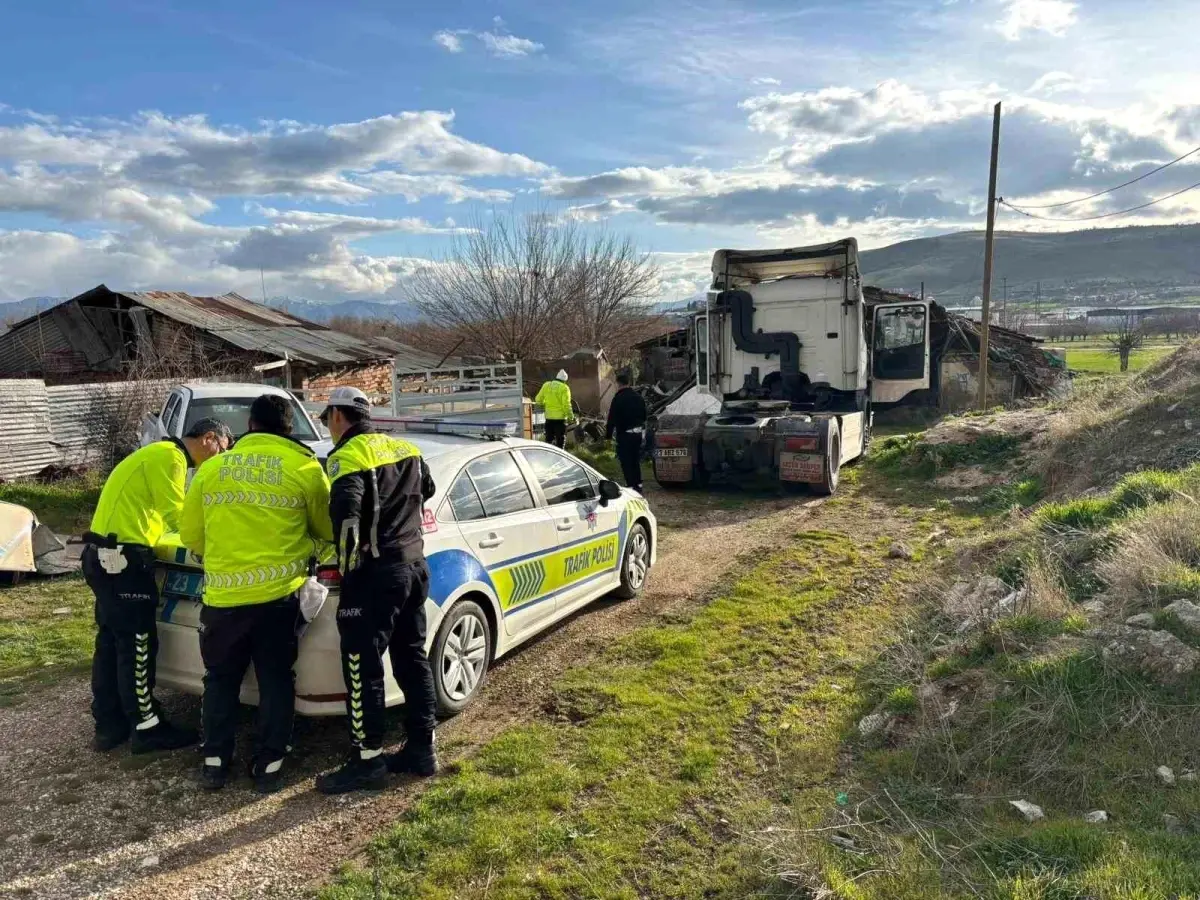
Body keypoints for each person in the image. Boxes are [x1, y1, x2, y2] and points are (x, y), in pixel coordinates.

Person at [179, 395, 334, 793]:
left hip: (222, 600)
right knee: (276, 680)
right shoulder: (304, 467)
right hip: (277, 600)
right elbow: (325, 530)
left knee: (220, 680)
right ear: (289, 428)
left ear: (249, 423)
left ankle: (214, 761)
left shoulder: (211, 470)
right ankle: (270, 763)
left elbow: (191, 536)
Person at [314, 387, 439, 795]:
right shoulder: (404, 446)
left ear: (337, 416)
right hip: (414, 565)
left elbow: (346, 520)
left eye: (326, 418)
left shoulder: (346, 457)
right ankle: (422, 749)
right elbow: (430, 488)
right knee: (411, 657)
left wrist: (348, 570)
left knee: (361, 667)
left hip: (375, 574)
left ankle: (367, 761)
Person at [84, 418, 233, 754]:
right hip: (124, 562)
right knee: (137, 646)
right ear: (210, 438)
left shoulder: (155, 453)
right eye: (223, 448)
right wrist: (221, 539)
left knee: (110, 643)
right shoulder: (171, 458)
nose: (220, 457)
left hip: (103, 556)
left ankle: (109, 725)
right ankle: (147, 727)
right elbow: (179, 517)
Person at [606, 373, 648, 493]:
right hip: (638, 433)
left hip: (625, 434)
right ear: (629, 383)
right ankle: (638, 483)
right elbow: (645, 416)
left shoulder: (618, 398)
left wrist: (608, 436)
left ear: (618, 383)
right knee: (635, 459)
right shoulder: (638, 397)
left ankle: (631, 485)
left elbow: (611, 418)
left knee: (626, 460)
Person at [535, 370, 574, 449]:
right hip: (560, 419)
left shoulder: (546, 385)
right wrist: (571, 417)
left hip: (549, 418)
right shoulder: (564, 388)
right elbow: (566, 405)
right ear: (564, 380)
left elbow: (538, 399)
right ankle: (560, 457)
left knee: (549, 440)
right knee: (560, 440)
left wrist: (545, 403)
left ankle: (548, 456)